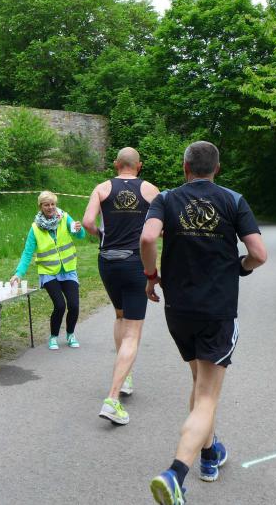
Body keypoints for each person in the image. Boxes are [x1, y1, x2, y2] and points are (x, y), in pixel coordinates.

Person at [142, 141, 267, 504]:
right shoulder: (233, 200)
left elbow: (148, 237)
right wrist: (241, 266)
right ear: (217, 169)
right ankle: (176, 473)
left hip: (178, 311)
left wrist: (151, 275)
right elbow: (259, 254)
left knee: (199, 384)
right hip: (216, 311)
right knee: (208, 396)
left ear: (185, 168)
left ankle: (210, 455)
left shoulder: (166, 199)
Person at [82, 147, 159, 425]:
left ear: (116, 164)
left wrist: (101, 235)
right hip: (134, 262)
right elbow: (160, 228)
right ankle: (113, 398)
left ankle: (124, 378)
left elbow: (87, 222)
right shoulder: (150, 190)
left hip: (107, 261)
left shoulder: (102, 188)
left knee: (119, 316)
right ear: (139, 165)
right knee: (133, 332)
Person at [10, 191, 86, 350]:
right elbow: (27, 253)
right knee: (60, 305)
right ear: (40, 207)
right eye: (46, 205)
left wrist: (79, 230)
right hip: (48, 272)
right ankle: (53, 336)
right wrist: (18, 273)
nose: (50, 207)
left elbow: (80, 236)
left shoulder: (65, 218)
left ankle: (70, 334)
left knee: (74, 305)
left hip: (68, 270)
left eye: (53, 204)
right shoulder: (35, 228)